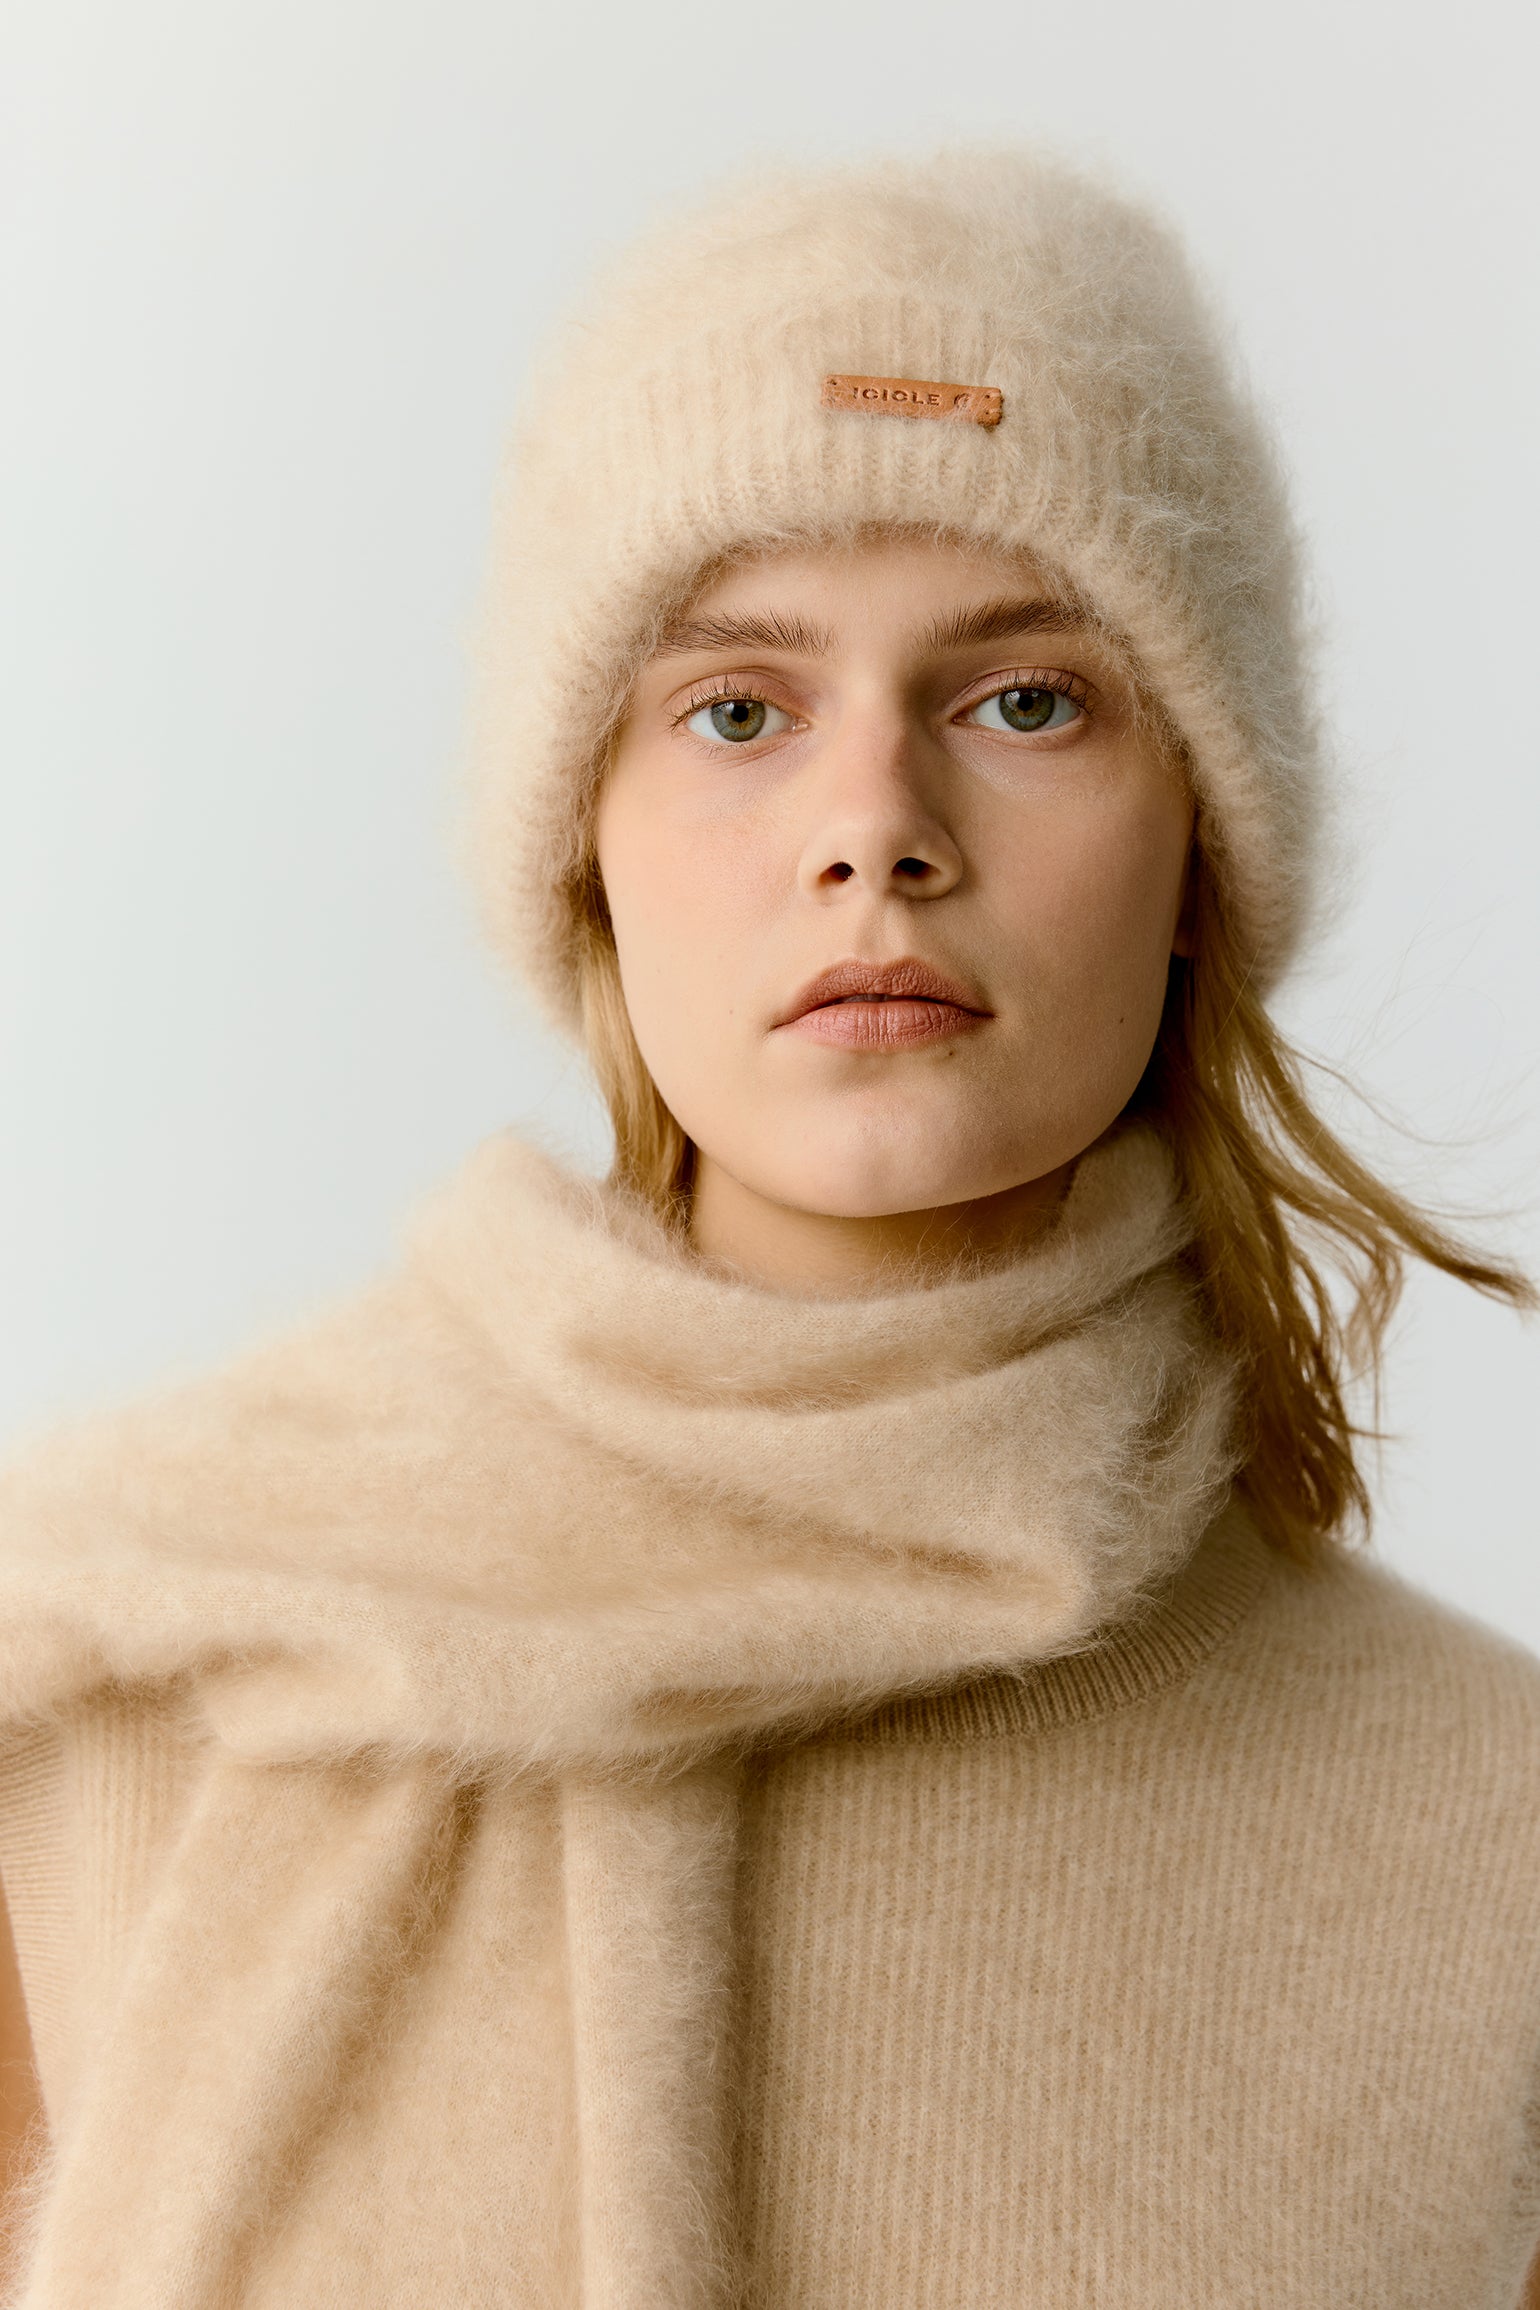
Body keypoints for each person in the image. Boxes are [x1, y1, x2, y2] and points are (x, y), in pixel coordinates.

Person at [0, 146, 1536, 2309]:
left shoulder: (1494, 1847)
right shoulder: (99, 1675)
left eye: (1024, 699)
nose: (872, 834)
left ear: (1200, 844)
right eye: (735, 709)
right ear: (581, 849)